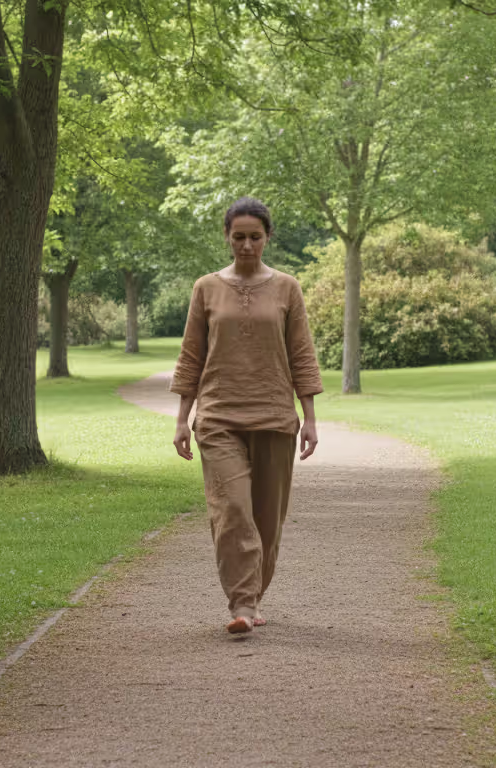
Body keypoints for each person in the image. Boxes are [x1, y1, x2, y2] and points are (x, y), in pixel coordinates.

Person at [170, 196, 323, 635]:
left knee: (268, 522)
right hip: (218, 416)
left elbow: (301, 354)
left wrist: (309, 418)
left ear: (268, 237)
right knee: (232, 510)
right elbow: (192, 355)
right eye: (239, 237)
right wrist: (182, 418)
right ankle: (242, 603)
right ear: (226, 236)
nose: (247, 245)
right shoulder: (206, 288)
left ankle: (252, 596)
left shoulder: (288, 288)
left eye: (255, 237)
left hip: (275, 416)